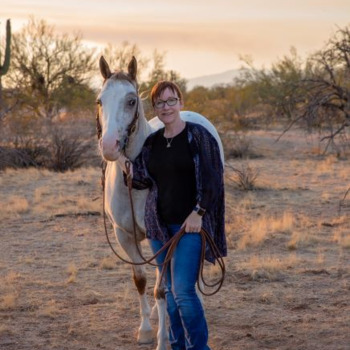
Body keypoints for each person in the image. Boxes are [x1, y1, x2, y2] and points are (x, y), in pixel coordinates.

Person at [117, 81, 226, 350]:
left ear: (181, 102)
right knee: (172, 296)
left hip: (190, 226)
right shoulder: (153, 142)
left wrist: (198, 212)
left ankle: (199, 348)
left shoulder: (199, 136)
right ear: (154, 108)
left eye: (171, 100)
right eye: (160, 103)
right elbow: (141, 178)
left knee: (184, 293)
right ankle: (178, 345)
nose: (166, 107)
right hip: (159, 229)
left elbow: (213, 180)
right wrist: (122, 162)